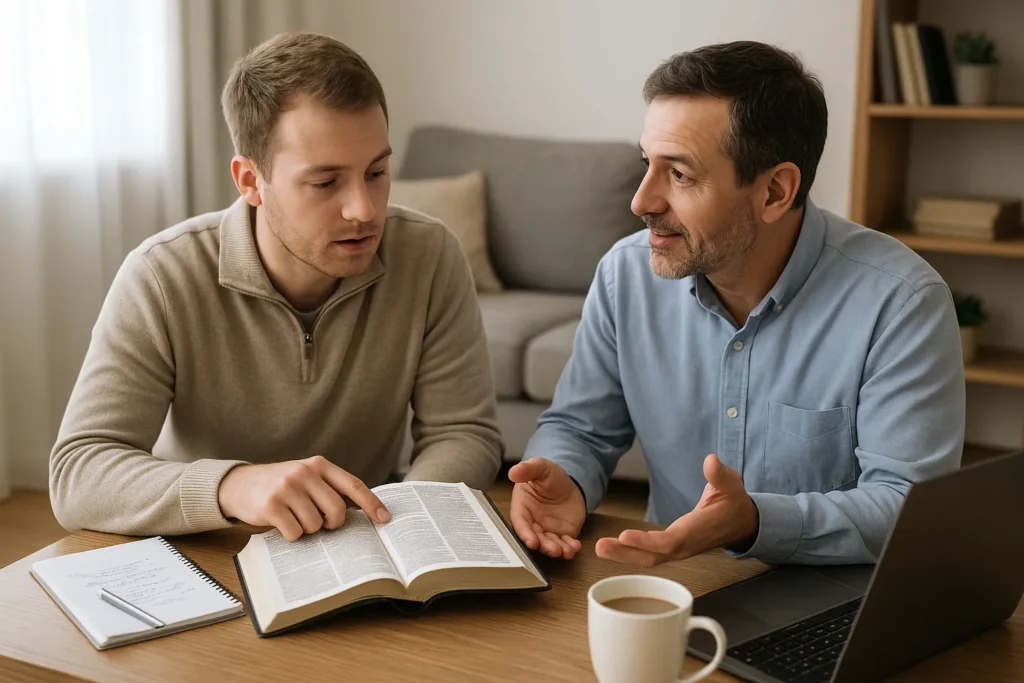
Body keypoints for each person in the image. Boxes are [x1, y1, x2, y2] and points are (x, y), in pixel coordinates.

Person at [508, 41, 965, 566]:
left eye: (679, 174)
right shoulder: (624, 273)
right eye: (647, 164)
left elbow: (906, 506)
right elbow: (579, 427)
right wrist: (563, 474)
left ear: (775, 192)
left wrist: (755, 522)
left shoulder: (903, 304)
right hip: (673, 582)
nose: (641, 202)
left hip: (832, 599)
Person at [50, 32, 502, 541]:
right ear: (249, 181)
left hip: (361, 548)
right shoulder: (161, 275)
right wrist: (234, 486)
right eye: (326, 182)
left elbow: (463, 434)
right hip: (209, 551)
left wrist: (405, 525)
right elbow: (79, 473)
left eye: (376, 171)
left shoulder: (430, 255)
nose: (364, 210)